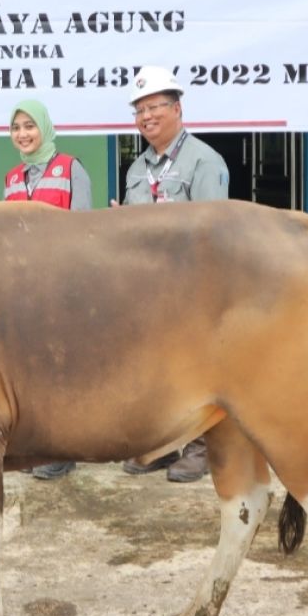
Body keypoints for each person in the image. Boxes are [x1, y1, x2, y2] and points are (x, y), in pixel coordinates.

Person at [118, 65, 229, 483]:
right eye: (139, 110)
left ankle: (199, 448)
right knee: (154, 370)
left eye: (154, 107)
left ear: (177, 108)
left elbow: (212, 232)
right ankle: (161, 445)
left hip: (190, 288)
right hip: (145, 291)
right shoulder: (136, 168)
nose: (146, 117)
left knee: (197, 370)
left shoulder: (205, 160)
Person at [2, 99, 91, 480]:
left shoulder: (71, 168)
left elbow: (85, 232)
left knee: (63, 372)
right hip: (24, 291)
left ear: (45, 128)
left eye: (29, 126)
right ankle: (37, 447)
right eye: (16, 127)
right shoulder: (11, 178)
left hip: (63, 286)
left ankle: (64, 449)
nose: (23, 134)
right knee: (31, 372)